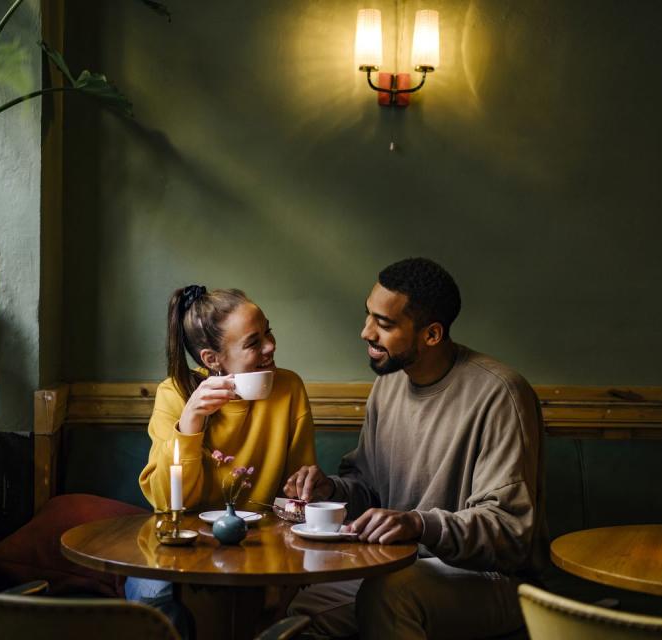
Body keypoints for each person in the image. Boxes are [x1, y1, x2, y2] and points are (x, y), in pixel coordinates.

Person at [284, 258, 548, 640]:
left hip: (496, 580)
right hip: (400, 566)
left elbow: (509, 531)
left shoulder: (500, 394)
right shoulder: (389, 382)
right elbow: (368, 488)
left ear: (432, 334)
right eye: (368, 316)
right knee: (304, 611)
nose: (365, 332)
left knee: (391, 595)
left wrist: (420, 524)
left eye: (384, 324)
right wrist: (330, 491)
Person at [129, 285, 317, 633]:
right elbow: (166, 501)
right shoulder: (174, 393)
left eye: (268, 332)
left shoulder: (288, 388)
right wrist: (190, 422)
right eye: (253, 343)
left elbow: (296, 500)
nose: (271, 346)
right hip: (179, 549)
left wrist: (307, 487)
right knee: (157, 606)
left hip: (260, 548)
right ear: (212, 359)